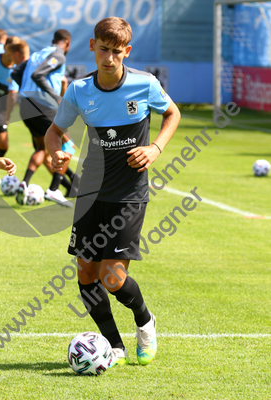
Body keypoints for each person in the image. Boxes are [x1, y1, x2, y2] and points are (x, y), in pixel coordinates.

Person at [45, 17, 180, 366]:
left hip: (129, 193)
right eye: (103, 49)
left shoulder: (144, 84)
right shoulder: (78, 91)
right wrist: (55, 152)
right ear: (92, 47)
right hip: (90, 191)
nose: (109, 58)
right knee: (86, 273)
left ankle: (145, 322)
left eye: (116, 52)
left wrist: (156, 149)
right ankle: (113, 345)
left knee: (112, 277)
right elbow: (54, 131)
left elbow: (172, 114)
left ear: (127, 52)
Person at [11, 29, 78, 207]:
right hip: (42, 105)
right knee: (69, 144)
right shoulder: (59, 55)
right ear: (68, 44)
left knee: (42, 147)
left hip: (24, 105)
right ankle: (54, 189)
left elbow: (15, 74)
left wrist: (27, 90)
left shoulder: (37, 54)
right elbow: (38, 75)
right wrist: (56, 97)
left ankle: (24, 183)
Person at [0, 36, 20, 185]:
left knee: (3, 145)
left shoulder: (15, 72)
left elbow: (12, 97)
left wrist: (6, 117)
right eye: (12, 50)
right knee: (3, 143)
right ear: (5, 49)